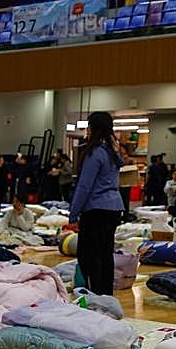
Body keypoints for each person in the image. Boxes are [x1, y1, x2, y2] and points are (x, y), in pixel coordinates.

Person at [69, 111, 125, 296]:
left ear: (93, 128)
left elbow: (85, 186)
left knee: (89, 255)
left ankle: (94, 294)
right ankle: (106, 294)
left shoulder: (95, 152)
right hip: (114, 208)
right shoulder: (113, 152)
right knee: (105, 253)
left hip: (96, 209)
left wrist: (74, 212)